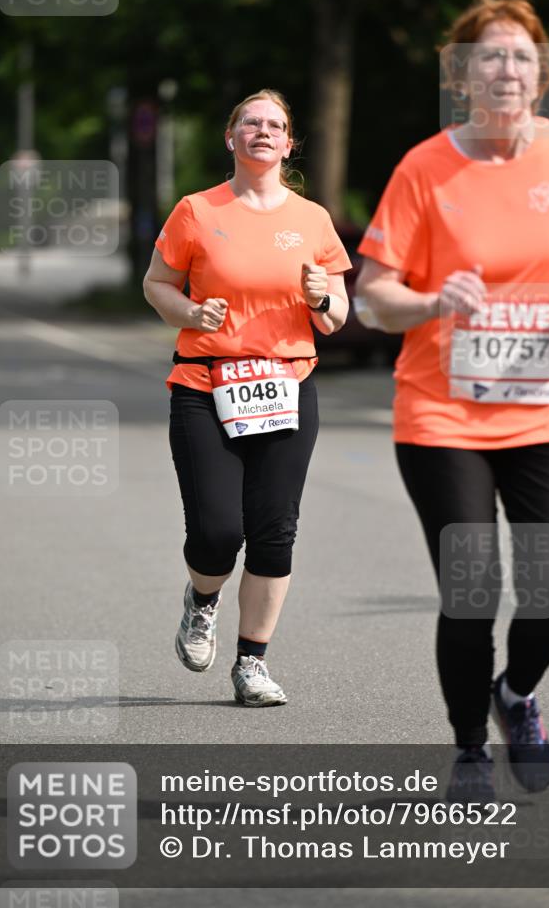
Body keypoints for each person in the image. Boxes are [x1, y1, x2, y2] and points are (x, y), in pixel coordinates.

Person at [355, 0, 549, 798]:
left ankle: (515, 696)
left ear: (538, 74)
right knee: (471, 590)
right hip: (444, 410)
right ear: (462, 74)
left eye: (520, 55)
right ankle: (470, 746)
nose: (506, 68)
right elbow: (374, 293)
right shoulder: (424, 167)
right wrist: (435, 300)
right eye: (489, 56)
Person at [143, 89, 351, 706]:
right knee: (215, 531)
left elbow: (337, 315)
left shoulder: (311, 220)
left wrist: (320, 297)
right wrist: (190, 311)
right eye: (252, 123)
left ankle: (252, 664)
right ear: (230, 138)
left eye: (276, 125)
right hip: (206, 385)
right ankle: (201, 599)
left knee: (273, 530)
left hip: (286, 387)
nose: (264, 131)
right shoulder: (195, 210)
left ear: (289, 145)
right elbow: (157, 284)